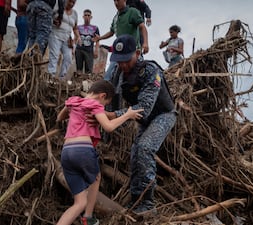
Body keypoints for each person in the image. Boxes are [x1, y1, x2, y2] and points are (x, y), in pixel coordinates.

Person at [56, 80, 143, 225]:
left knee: (79, 203)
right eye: (105, 103)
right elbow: (108, 127)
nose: (103, 107)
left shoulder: (73, 102)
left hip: (66, 152)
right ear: (102, 96)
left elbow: (59, 118)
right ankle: (88, 217)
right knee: (96, 178)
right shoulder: (95, 105)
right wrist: (128, 115)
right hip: (83, 149)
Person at [106, 35, 177, 214]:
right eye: (118, 61)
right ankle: (136, 199)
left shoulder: (150, 71)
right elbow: (112, 97)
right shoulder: (119, 74)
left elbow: (144, 108)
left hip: (163, 115)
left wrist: (114, 115)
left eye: (126, 60)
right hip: (144, 120)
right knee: (135, 154)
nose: (122, 65)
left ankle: (148, 203)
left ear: (137, 53)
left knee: (145, 148)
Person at [93, 0, 149, 80]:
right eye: (114, 0)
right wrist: (100, 38)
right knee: (109, 77)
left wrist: (145, 43)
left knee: (140, 76)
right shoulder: (116, 18)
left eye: (118, 0)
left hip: (133, 53)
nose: (116, 3)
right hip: (119, 54)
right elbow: (111, 32)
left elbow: (142, 27)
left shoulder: (132, 12)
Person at [47, 0, 79, 79]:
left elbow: (75, 28)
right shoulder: (57, 7)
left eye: (73, 2)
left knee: (68, 58)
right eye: (70, 1)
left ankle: (61, 78)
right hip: (55, 35)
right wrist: (53, 21)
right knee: (54, 56)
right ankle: (51, 76)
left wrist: (76, 39)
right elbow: (48, 17)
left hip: (67, 39)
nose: (71, 4)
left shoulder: (75, 14)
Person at [75, 9, 100, 76]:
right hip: (79, 49)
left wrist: (96, 50)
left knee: (88, 71)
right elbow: (76, 38)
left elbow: (97, 40)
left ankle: (86, 85)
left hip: (89, 51)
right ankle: (77, 83)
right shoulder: (79, 27)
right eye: (85, 15)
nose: (87, 17)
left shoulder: (95, 28)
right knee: (78, 69)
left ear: (91, 17)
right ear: (83, 16)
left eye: (88, 15)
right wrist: (73, 48)